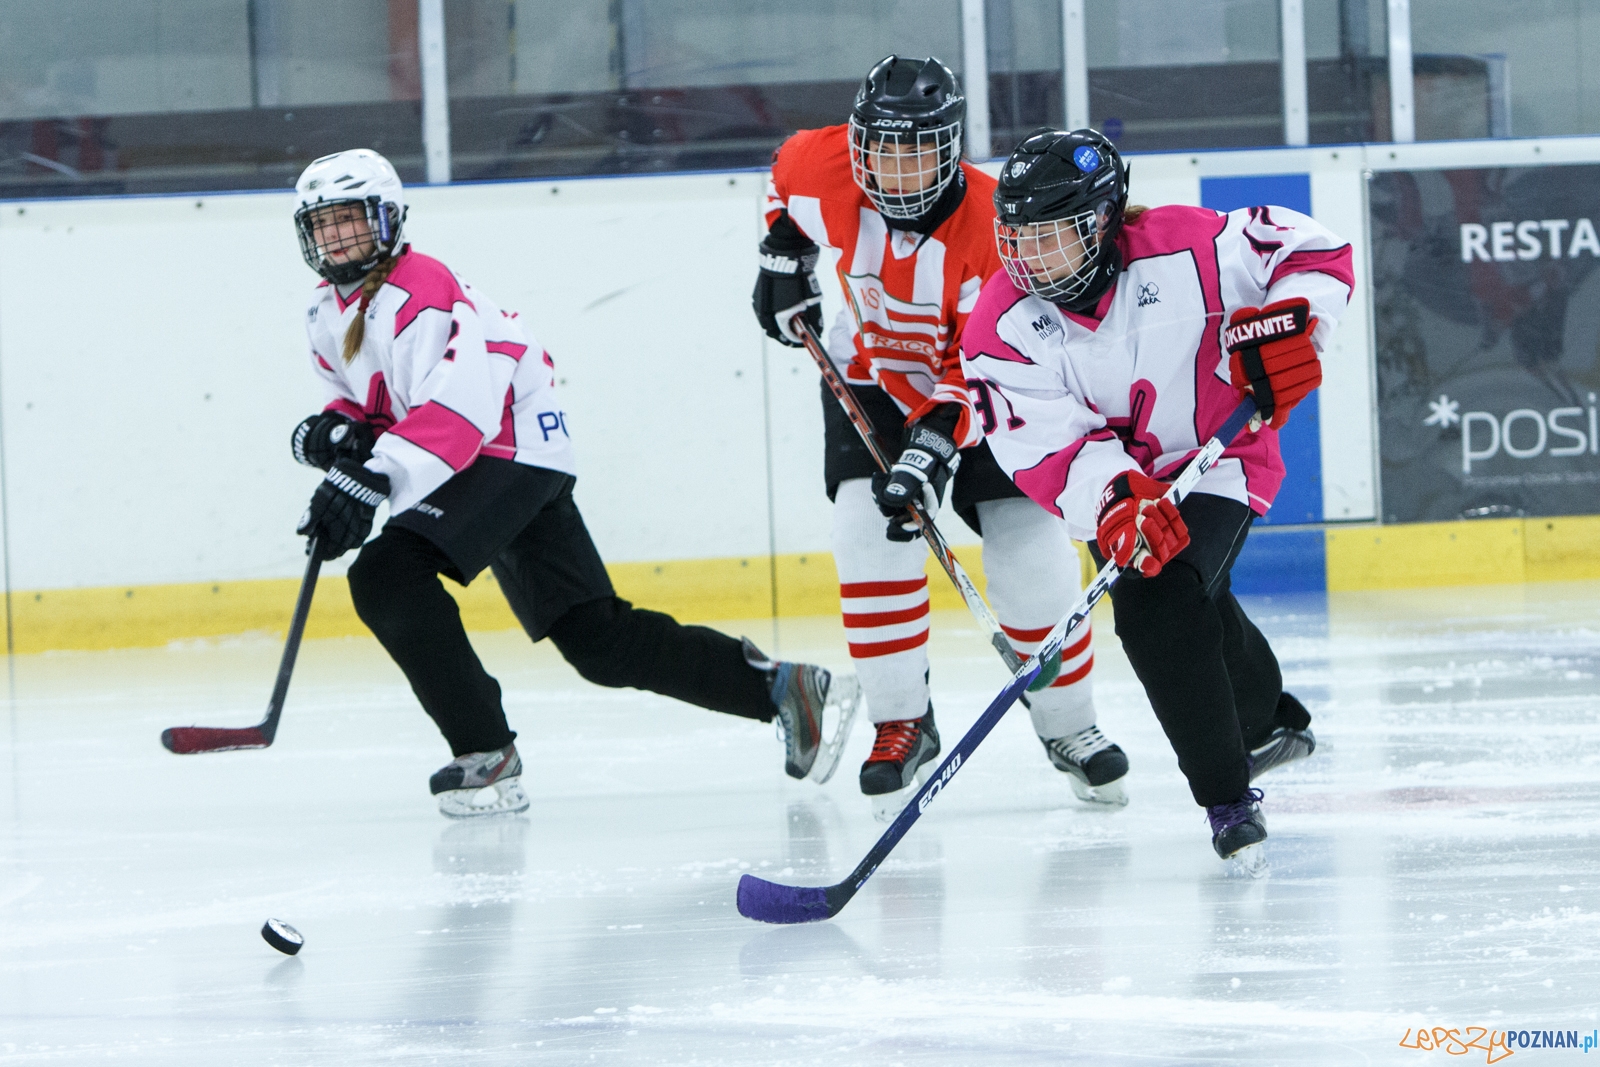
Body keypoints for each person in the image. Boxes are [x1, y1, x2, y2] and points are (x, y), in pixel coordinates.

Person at [290, 148, 860, 818]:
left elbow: (459, 413)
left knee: (387, 572)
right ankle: (785, 691)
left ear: (388, 220)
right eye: (323, 224)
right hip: (482, 458)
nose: (336, 237)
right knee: (598, 640)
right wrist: (332, 435)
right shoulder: (327, 313)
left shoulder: (420, 287)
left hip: (508, 451)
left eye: (350, 220)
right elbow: (368, 404)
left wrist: (371, 476)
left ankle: (485, 752)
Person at [961, 128, 1351, 864]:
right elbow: (1040, 445)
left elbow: (1313, 252)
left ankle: (1227, 798)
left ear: (1105, 220)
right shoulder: (1000, 327)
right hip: (1119, 491)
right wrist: (1111, 496)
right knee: (1189, 594)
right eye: (1018, 237)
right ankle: (1266, 720)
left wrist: (1292, 327)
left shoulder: (1191, 246)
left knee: (1156, 596)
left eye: (1053, 235)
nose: (1031, 257)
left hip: (1219, 462)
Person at [752, 56, 1128, 820]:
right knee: (864, 535)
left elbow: (977, 362)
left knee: (1029, 549)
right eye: (882, 152)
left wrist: (933, 450)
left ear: (950, 146)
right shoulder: (819, 165)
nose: (895, 173)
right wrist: (781, 257)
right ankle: (902, 721)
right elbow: (781, 187)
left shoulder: (994, 228)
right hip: (872, 375)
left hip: (992, 387)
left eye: (917, 152)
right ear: (857, 145)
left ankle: (1069, 724)